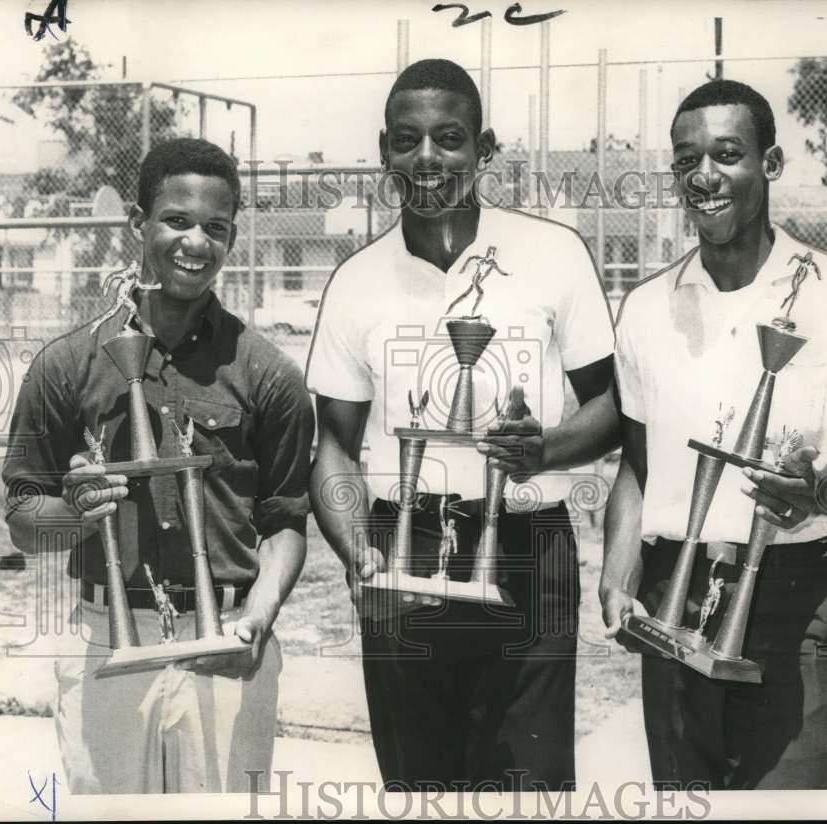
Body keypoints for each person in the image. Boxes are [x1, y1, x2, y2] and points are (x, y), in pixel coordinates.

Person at [307, 59, 618, 791]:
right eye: (407, 140)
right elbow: (333, 449)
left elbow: (611, 411)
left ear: (486, 148)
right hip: (401, 542)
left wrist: (543, 450)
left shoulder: (553, 254)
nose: (427, 159)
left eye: (449, 138)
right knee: (420, 782)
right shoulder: (356, 281)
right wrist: (360, 556)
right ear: (383, 148)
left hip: (525, 543)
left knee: (528, 781)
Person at [601, 80, 827, 791]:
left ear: (771, 162)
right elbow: (636, 470)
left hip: (794, 601)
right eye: (685, 161)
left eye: (727, 154)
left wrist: (818, 491)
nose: (703, 176)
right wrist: (615, 575)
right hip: (675, 589)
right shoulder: (646, 309)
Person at [1, 137, 315, 794]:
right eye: (176, 220)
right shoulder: (67, 364)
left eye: (216, 227)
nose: (196, 242)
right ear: (136, 222)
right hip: (104, 642)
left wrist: (258, 614)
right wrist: (76, 513)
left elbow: (285, 519)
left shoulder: (269, 373)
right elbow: (26, 519)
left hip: (228, 636)